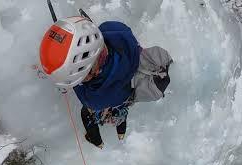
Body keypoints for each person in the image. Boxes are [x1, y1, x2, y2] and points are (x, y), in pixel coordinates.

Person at [40, 16, 172, 149]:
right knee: (122, 104)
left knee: (95, 111)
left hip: (117, 96)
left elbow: (81, 91)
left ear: (93, 71)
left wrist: (69, 78)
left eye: (82, 76)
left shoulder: (95, 99)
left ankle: (95, 131)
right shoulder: (115, 29)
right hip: (130, 74)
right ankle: (121, 125)